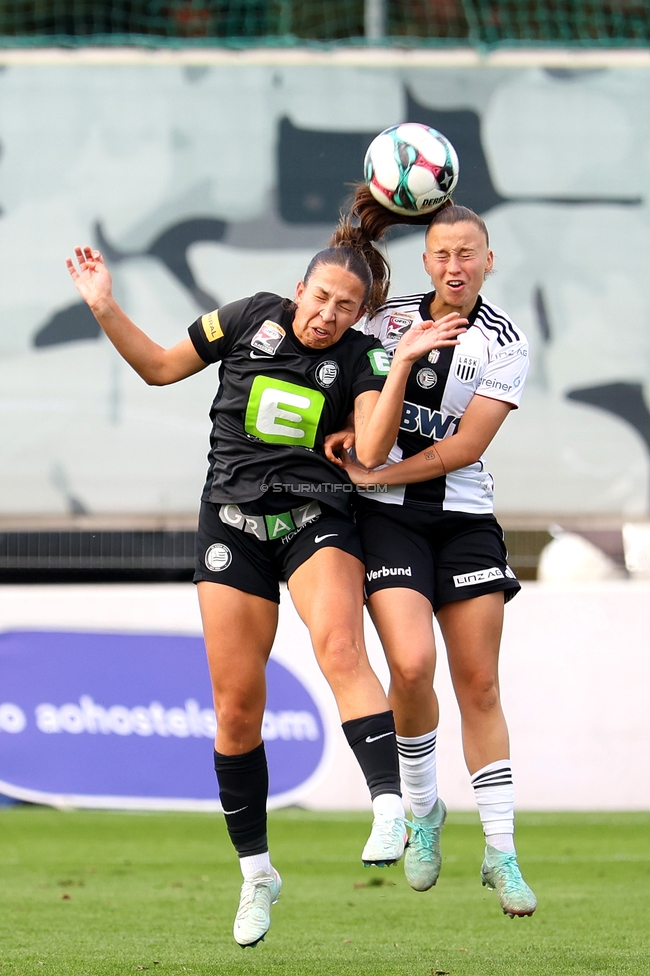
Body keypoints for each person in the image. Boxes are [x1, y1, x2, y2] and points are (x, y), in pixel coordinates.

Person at [66, 235, 464, 947]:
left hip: (315, 518)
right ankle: (257, 874)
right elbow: (159, 368)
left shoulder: (363, 358)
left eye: (346, 307)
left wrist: (401, 361)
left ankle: (388, 804)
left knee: (340, 646)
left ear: (360, 312)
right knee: (236, 709)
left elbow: (371, 453)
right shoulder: (251, 317)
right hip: (232, 523)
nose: (326, 315)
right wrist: (105, 307)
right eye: (319, 298)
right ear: (299, 288)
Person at [326, 191, 537, 918]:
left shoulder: (506, 342)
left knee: (479, 685)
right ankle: (423, 812)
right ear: (425, 261)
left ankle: (502, 854)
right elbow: (323, 318)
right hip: (387, 523)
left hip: (464, 519)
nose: (454, 265)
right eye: (441, 254)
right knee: (411, 666)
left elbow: (464, 448)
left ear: (487, 261)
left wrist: (376, 469)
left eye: (466, 253)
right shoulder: (386, 320)